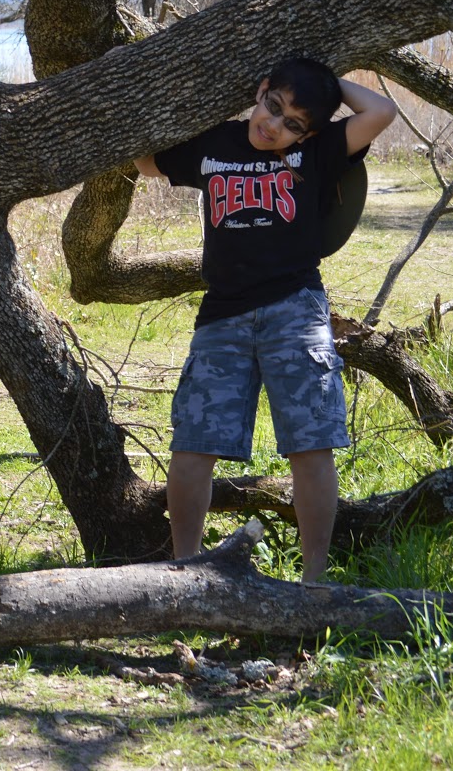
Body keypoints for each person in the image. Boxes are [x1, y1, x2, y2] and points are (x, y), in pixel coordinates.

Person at [134, 57, 396, 582]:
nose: (273, 125)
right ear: (261, 91)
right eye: (272, 107)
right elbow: (144, 161)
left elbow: (381, 110)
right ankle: (183, 574)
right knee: (192, 444)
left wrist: (327, 80)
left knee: (310, 444)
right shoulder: (215, 144)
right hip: (221, 315)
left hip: (295, 311)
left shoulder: (318, 151)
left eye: (292, 123)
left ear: (311, 131)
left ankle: (314, 582)